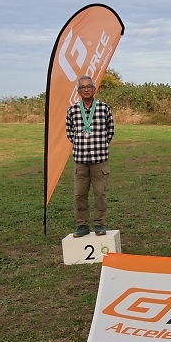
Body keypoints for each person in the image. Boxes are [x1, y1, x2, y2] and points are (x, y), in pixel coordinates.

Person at [66, 75, 115, 238]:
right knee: (80, 194)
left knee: (100, 194)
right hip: (80, 161)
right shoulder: (72, 110)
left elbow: (110, 131)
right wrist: (81, 146)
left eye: (89, 87)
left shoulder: (104, 108)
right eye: (82, 87)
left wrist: (100, 146)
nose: (86, 89)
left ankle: (100, 224)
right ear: (78, 91)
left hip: (99, 161)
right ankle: (82, 225)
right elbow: (70, 133)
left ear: (94, 89)